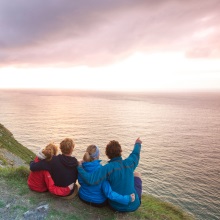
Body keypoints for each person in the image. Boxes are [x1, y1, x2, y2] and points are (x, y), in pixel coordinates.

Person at [77, 137, 142, 212]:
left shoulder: (106, 168)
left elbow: (91, 179)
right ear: (121, 151)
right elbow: (135, 154)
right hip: (134, 205)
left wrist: (79, 167)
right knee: (136, 175)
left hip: (114, 206)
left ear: (107, 154)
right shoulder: (130, 163)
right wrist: (138, 143)